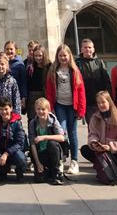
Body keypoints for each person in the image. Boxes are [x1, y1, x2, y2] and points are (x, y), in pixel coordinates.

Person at [45, 44, 86, 175]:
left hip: (72, 106)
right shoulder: (53, 71)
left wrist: (81, 109)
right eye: (60, 55)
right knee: (61, 133)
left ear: (69, 56)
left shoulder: (75, 71)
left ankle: (74, 161)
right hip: (59, 105)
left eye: (65, 55)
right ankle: (60, 160)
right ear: (57, 56)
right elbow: (49, 91)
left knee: (73, 133)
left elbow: (81, 91)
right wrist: (51, 107)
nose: (63, 58)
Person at [80, 90, 117, 183]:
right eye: (99, 103)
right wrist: (94, 143)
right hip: (101, 150)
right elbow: (92, 134)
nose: (101, 105)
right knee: (85, 149)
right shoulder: (94, 118)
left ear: (109, 102)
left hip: (115, 151)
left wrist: (110, 147)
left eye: (103, 102)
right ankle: (102, 167)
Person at [0, 97, 26, 183]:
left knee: (22, 159)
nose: (4, 112)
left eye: (6, 109)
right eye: (1, 109)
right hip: (0, 151)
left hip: (14, 151)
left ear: (11, 108)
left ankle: (19, 172)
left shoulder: (17, 122)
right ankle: (3, 171)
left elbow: (20, 143)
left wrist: (7, 153)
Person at [28, 97, 65, 185]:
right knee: (39, 179)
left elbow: (62, 137)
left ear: (48, 110)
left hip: (52, 152)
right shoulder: (32, 123)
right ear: (35, 110)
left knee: (52, 144)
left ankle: (56, 171)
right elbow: (32, 144)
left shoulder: (53, 120)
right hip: (40, 153)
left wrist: (45, 137)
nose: (40, 112)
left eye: (43, 109)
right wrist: (38, 163)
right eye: (38, 109)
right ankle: (46, 171)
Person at [75, 39, 111, 125]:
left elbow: (107, 81)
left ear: (93, 49)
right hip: (87, 102)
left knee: (105, 125)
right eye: (85, 47)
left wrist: (107, 96)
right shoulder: (77, 63)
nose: (88, 49)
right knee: (92, 126)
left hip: (101, 101)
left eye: (89, 47)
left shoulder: (99, 62)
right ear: (81, 49)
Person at [26, 44, 51, 124]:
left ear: (44, 55)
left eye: (40, 55)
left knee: (45, 120)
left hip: (45, 96)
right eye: (35, 56)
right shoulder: (31, 68)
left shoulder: (50, 67)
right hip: (32, 97)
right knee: (32, 121)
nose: (38, 58)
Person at [4, 41, 28, 113]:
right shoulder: (2, 62)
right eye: (7, 49)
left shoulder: (20, 64)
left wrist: (23, 98)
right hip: (4, 97)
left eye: (11, 49)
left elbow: (23, 82)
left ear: (15, 50)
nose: (9, 51)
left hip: (15, 97)